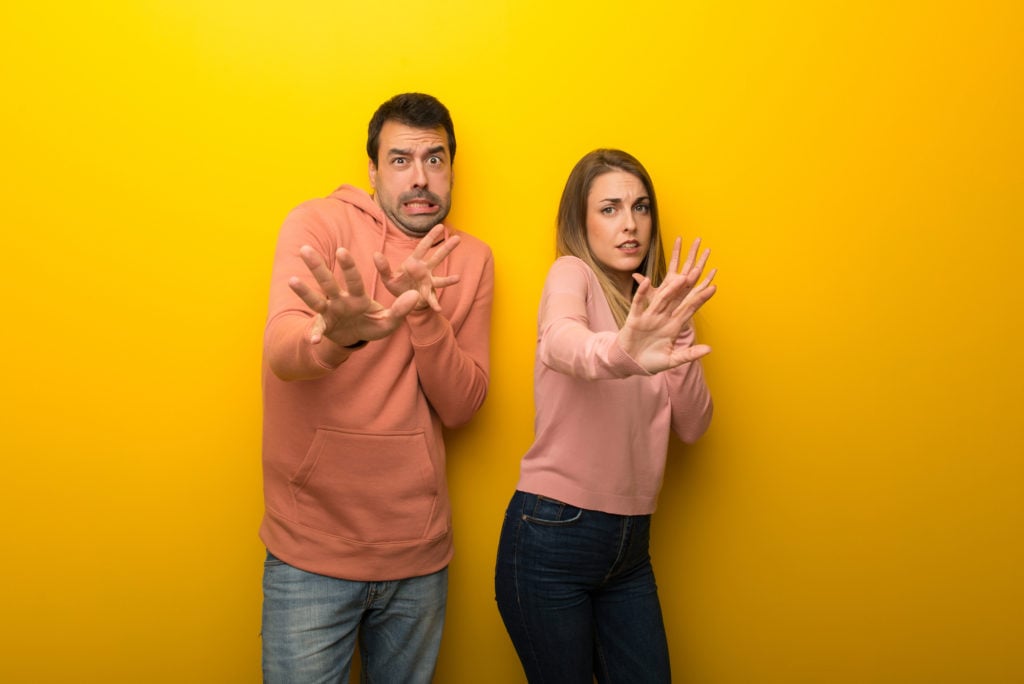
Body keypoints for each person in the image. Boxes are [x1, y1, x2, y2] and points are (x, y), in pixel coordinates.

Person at [259, 92, 493, 683]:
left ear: (452, 169)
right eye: (400, 160)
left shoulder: (473, 260)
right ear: (372, 170)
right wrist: (336, 338)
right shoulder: (318, 223)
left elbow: (464, 406)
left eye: (435, 160)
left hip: (418, 557)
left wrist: (424, 316)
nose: (420, 179)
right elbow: (282, 352)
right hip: (310, 553)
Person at [494, 149, 717, 683]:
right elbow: (561, 342)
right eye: (611, 209)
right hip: (553, 535)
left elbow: (695, 424)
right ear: (582, 221)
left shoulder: (654, 309)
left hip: (630, 549)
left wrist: (678, 331)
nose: (630, 224)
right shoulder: (571, 274)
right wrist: (623, 352)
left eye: (641, 208)